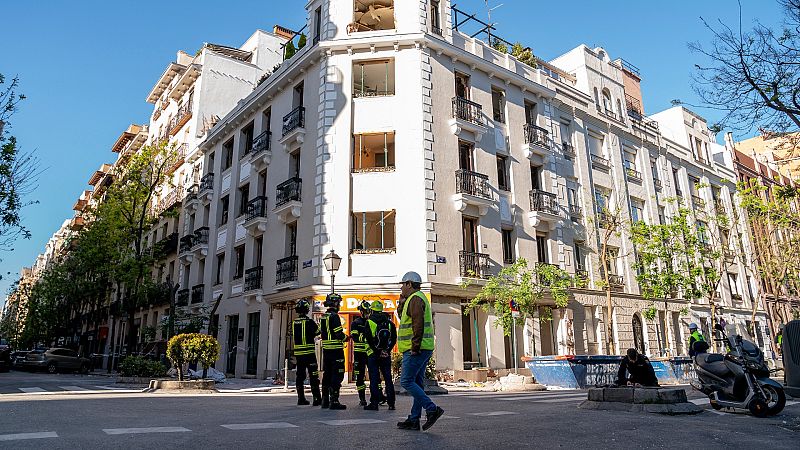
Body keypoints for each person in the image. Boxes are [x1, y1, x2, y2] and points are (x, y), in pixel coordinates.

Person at [396, 271, 444, 431]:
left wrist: (415, 346)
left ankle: (431, 409)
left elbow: (418, 324)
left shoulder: (416, 299)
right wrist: (401, 303)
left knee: (406, 381)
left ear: (409, 284)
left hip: (416, 348)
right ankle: (414, 419)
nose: (401, 288)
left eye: (402, 284)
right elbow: (406, 317)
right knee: (417, 383)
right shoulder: (414, 299)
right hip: (423, 347)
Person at [364, 300, 397, 411]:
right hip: (385, 354)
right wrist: (387, 351)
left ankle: (374, 403)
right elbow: (393, 339)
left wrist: (377, 351)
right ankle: (391, 403)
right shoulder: (389, 322)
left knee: (374, 378)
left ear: (372, 310)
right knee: (388, 378)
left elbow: (368, 339)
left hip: (373, 354)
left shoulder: (369, 322)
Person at [291, 299, 322, 406]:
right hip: (309, 354)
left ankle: (301, 398)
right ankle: (317, 399)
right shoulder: (310, 322)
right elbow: (318, 332)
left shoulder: (294, 323)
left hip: (299, 355)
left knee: (300, 376)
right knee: (313, 376)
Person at [320, 293, 347, 410]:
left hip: (326, 351)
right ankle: (334, 400)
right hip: (336, 350)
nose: (339, 305)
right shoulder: (335, 316)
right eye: (339, 303)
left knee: (327, 374)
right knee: (338, 374)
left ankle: (325, 400)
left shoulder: (323, 316)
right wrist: (347, 338)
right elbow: (338, 334)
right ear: (335, 303)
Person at [350, 300, 371, 406]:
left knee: (374, 375)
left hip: (370, 353)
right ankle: (362, 398)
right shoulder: (356, 323)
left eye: (368, 311)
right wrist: (367, 336)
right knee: (360, 376)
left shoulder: (371, 322)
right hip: (359, 354)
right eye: (365, 311)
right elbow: (355, 337)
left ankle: (378, 396)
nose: (367, 313)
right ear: (361, 311)